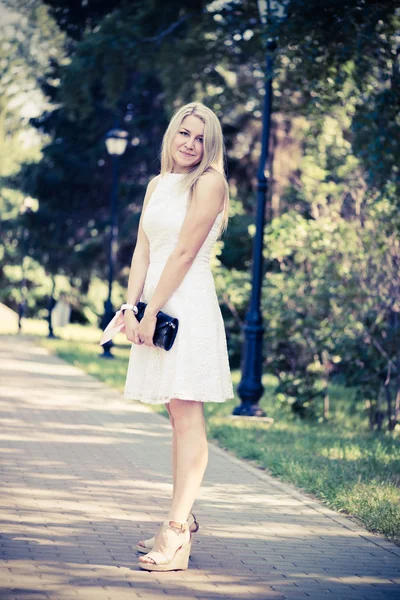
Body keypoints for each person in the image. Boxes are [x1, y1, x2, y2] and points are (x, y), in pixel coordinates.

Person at [122, 101, 234, 571]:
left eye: (199, 138)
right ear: (171, 135)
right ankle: (177, 518)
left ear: (210, 146)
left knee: (188, 415)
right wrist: (131, 308)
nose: (189, 144)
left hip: (185, 304)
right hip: (153, 304)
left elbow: (186, 252)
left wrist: (152, 311)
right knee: (175, 416)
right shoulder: (157, 184)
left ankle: (176, 532)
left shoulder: (210, 182)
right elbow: (143, 249)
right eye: (183, 134)